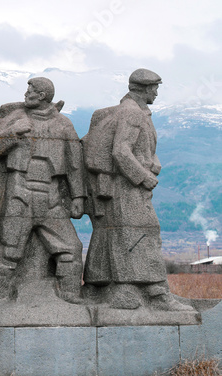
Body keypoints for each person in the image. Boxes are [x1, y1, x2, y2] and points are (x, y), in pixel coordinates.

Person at [83, 69, 193, 311]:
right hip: (127, 187)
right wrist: (143, 177)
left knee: (120, 233)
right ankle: (156, 293)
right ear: (143, 88)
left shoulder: (137, 112)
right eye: (154, 88)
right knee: (144, 232)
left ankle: (110, 287)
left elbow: (140, 149)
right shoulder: (132, 113)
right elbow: (121, 151)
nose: (156, 92)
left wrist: (153, 163)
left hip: (122, 186)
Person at [0, 77, 86, 302]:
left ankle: (69, 293)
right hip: (19, 192)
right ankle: (0, 296)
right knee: (10, 250)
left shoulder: (63, 124)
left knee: (71, 248)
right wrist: (13, 133)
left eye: (30, 90)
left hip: (51, 196)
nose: (25, 94)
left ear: (41, 95)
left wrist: (78, 195)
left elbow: (74, 162)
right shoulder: (16, 118)